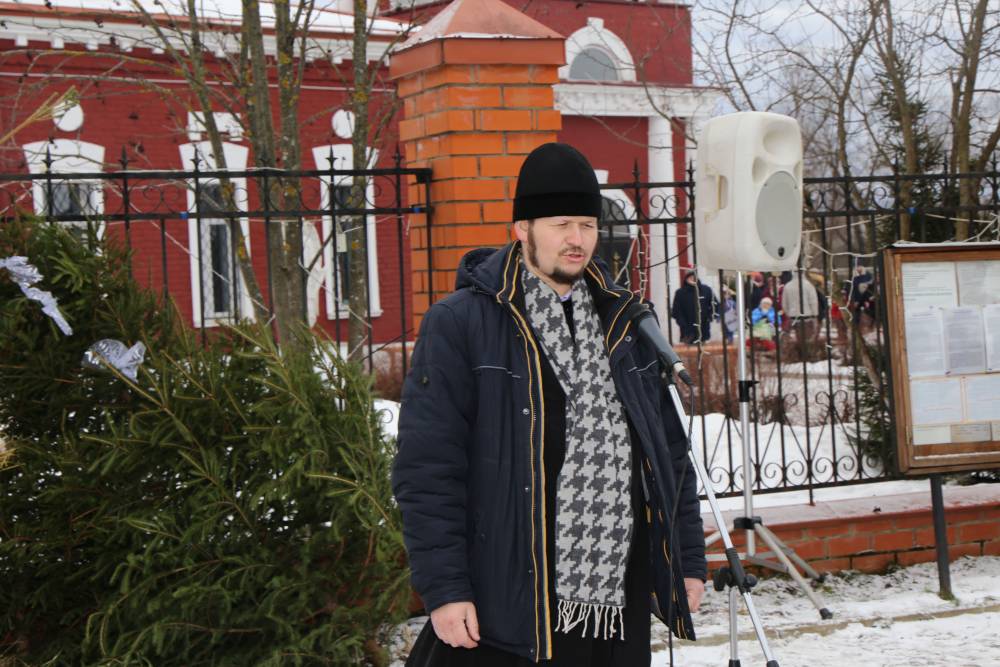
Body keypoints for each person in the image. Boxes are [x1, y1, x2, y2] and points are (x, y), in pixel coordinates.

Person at [393, 143, 706, 667]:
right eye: (561, 224)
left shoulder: (625, 323)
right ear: (522, 229)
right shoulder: (462, 324)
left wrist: (686, 561)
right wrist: (445, 589)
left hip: (616, 601)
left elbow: (668, 457)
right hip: (510, 600)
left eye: (587, 225)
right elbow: (428, 469)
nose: (577, 240)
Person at [671, 269, 717, 345]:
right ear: (686, 279)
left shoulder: (706, 290)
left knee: (702, 346)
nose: (692, 279)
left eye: (694, 277)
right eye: (690, 277)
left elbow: (714, 304)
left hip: (703, 326)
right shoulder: (680, 293)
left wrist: (710, 317)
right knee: (689, 347)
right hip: (687, 328)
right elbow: (676, 309)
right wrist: (681, 322)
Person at [781, 270, 820, 344]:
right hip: (806, 316)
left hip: (792, 316)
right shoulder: (809, 285)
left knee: (791, 341)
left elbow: (784, 303)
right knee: (806, 341)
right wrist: (815, 315)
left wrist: (788, 313)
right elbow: (813, 302)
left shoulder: (787, 286)